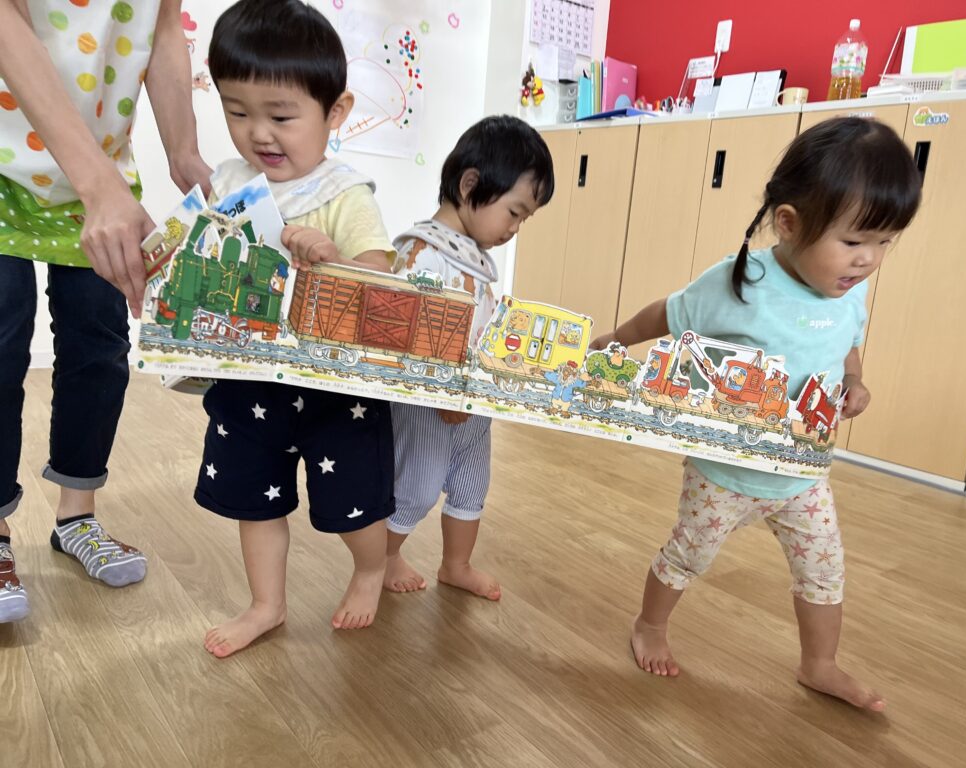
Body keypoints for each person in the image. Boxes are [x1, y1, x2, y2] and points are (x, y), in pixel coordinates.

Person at [591, 118, 922, 710]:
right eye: (854, 241)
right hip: (724, 470)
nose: (869, 260)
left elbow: (848, 339)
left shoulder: (848, 290)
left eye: (885, 242)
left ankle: (819, 664)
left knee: (824, 571)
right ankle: (650, 625)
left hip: (802, 474)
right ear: (790, 223)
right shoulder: (741, 282)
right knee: (689, 554)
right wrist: (615, 339)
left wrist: (854, 379)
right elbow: (668, 313)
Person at [197, 0, 398, 658]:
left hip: (336, 390)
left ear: (335, 112)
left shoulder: (344, 192)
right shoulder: (229, 183)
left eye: (281, 116)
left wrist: (332, 259)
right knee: (254, 501)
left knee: (353, 503)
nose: (259, 133)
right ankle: (266, 605)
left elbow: (378, 277)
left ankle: (370, 569)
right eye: (237, 111)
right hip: (250, 379)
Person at [0, 0, 210, 623]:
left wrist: (184, 153)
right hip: (12, 169)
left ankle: (76, 517)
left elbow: (163, 27)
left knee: (100, 347)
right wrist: (99, 185)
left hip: (101, 170)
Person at [383, 116, 554, 600]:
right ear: (470, 185)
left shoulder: (474, 255)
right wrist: (441, 394)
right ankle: (382, 560)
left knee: (471, 483)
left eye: (524, 219)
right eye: (514, 212)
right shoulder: (423, 252)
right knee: (416, 487)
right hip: (427, 401)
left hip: (472, 400)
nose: (514, 228)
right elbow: (410, 334)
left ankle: (456, 565)